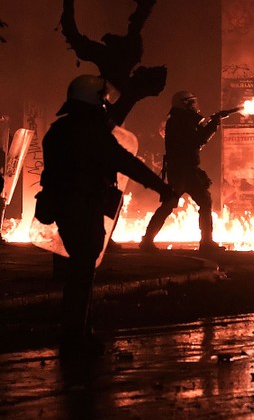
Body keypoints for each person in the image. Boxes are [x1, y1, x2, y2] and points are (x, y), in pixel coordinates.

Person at [35, 75, 174, 355]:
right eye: (102, 99)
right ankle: (75, 336)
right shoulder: (91, 133)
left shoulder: (59, 130)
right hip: (84, 206)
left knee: (79, 268)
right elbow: (126, 163)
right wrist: (162, 187)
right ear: (92, 100)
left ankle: (78, 332)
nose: (105, 105)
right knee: (82, 271)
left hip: (65, 208)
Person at [140, 90, 224, 253]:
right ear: (184, 104)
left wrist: (212, 122)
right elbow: (198, 140)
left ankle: (206, 242)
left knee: (203, 201)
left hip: (186, 170)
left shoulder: (180, 119)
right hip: (182, 172)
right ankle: (148, 240)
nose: (195, 106)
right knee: (170, 204)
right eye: (191, 103)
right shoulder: (179, 121)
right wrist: (214, 124)